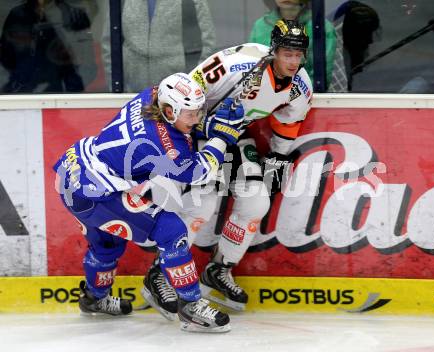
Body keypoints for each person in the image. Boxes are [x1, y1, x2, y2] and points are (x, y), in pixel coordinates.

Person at [141, 20, 313, 314]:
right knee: (201, 204)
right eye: (287, 54)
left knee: (257, 202)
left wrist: (278, 158)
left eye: (298, 56)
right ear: (274, 51)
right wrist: (203, 127)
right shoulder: (237, 65)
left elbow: (289, 123)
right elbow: (185, 94)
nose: (293, 62)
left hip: (234, 135)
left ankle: (218, 270)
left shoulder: (300, 87)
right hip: (195, 132)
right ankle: (160, 274)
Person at [53, 72, 245, 333]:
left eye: (198, 111)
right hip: (97, 190)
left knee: (107, 243)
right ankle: (190, 307)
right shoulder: (161, 143)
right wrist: (221, 137)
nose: (196, 118)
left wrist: (201, 121)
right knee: (172, 230)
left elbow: (179, 125)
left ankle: (94, 298)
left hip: (74, 173)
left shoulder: (151, 95)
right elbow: (199, 172)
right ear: (168, 111)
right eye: (191, 114)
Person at [101, 0, 216, 92]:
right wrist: (116, 87)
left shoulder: (193, 2)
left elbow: (207, 44)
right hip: (129, 93)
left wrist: (192, 88)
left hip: (177, 95)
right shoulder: (121, 2)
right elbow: (110, 43)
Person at [0, 0, 96, 93]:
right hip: (22, 89)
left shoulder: (73, 14)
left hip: (61, 89)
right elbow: (6, 54)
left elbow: (87, 61)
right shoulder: (17, 14)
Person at [249, 0, 336, 88]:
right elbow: (253, 66)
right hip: (263, 94)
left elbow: (320, 77)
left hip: (304, 96)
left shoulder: (320, 27)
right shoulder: (260, 26)